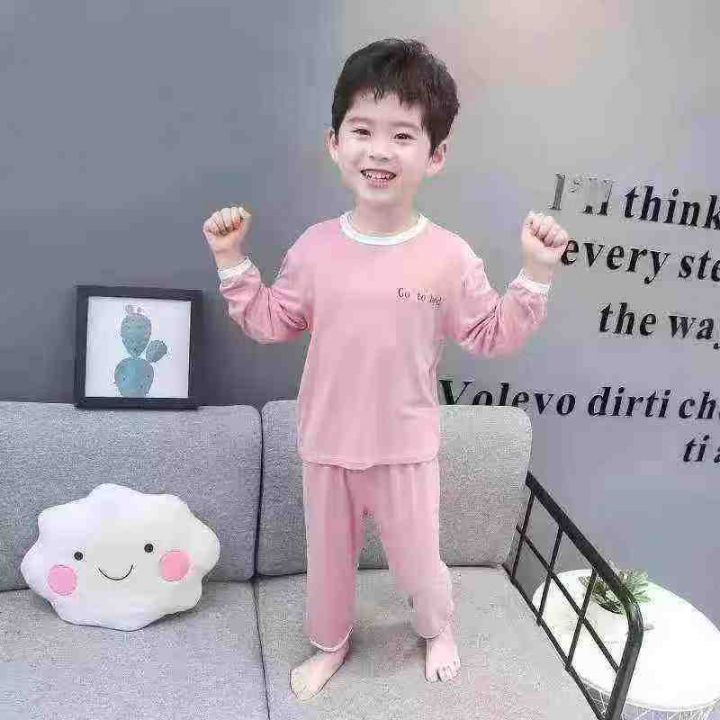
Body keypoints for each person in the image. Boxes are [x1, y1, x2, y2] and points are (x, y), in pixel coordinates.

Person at [202, 37, 570, 702]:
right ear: (335, 142)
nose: (379, 150)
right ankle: (330, 643)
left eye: (403, 135)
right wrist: (232, 261)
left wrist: (535, 275)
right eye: (363, 130)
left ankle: (437, 627)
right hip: (326, 443)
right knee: (328, 563)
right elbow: (271, 321)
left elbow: (490, 334)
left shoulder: (449, 257)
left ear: (435, 155)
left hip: (405, 447)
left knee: (419, 563)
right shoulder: (315, 248)